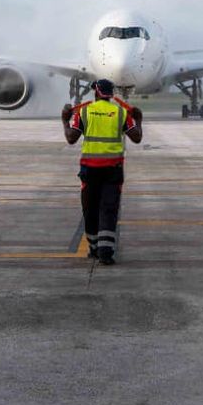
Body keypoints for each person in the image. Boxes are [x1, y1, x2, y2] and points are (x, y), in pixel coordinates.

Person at [62, 79, 142, 265]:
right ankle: (106, 250)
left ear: (96, 92)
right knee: (109, 208)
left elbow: (71, 138)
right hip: (113, 169)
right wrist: (138, 120)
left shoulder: (85, 111)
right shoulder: (121, 112)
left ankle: (94, 247)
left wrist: (65, 121)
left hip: (90, 169)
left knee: (90, 209)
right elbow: (136, 138)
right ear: (110, 94)